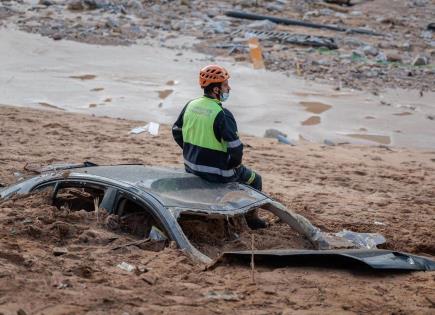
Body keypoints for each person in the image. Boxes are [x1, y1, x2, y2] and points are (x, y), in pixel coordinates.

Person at [172, 64, 266, 229]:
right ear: (216, 90)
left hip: (191, 167)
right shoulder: (222, 114)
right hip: (218, 173)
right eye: (225, 85)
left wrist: (190, 151)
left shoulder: (190, 105)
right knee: (255, 179)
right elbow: (236, 150)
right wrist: (232, 165)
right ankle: (252, 220)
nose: (229, 88)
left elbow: (176, 131)